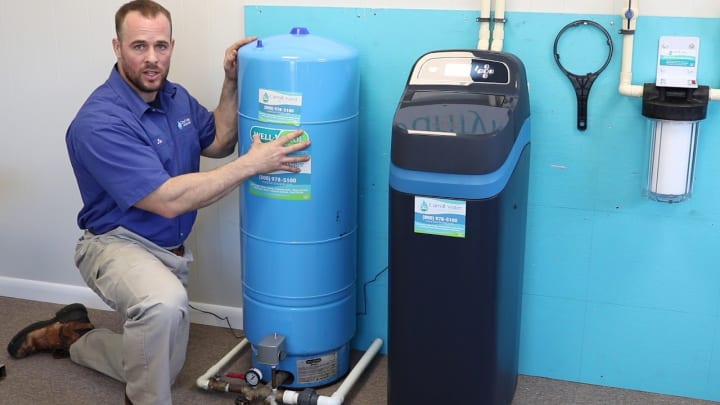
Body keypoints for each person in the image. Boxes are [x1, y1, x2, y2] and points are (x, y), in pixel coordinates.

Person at [6, 1, 310, 404]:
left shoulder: (175, 97)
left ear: (171, 46)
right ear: (117, 47)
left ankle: (74, 337)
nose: (152, 58)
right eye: (139, 46)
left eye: (161, 46)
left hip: (169, 251)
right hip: (115, 244)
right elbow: (167, 200)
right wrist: (253, 164)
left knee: (161, 366)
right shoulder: (99, 122)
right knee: (163, 308)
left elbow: (219, 141)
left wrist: (231, 82)